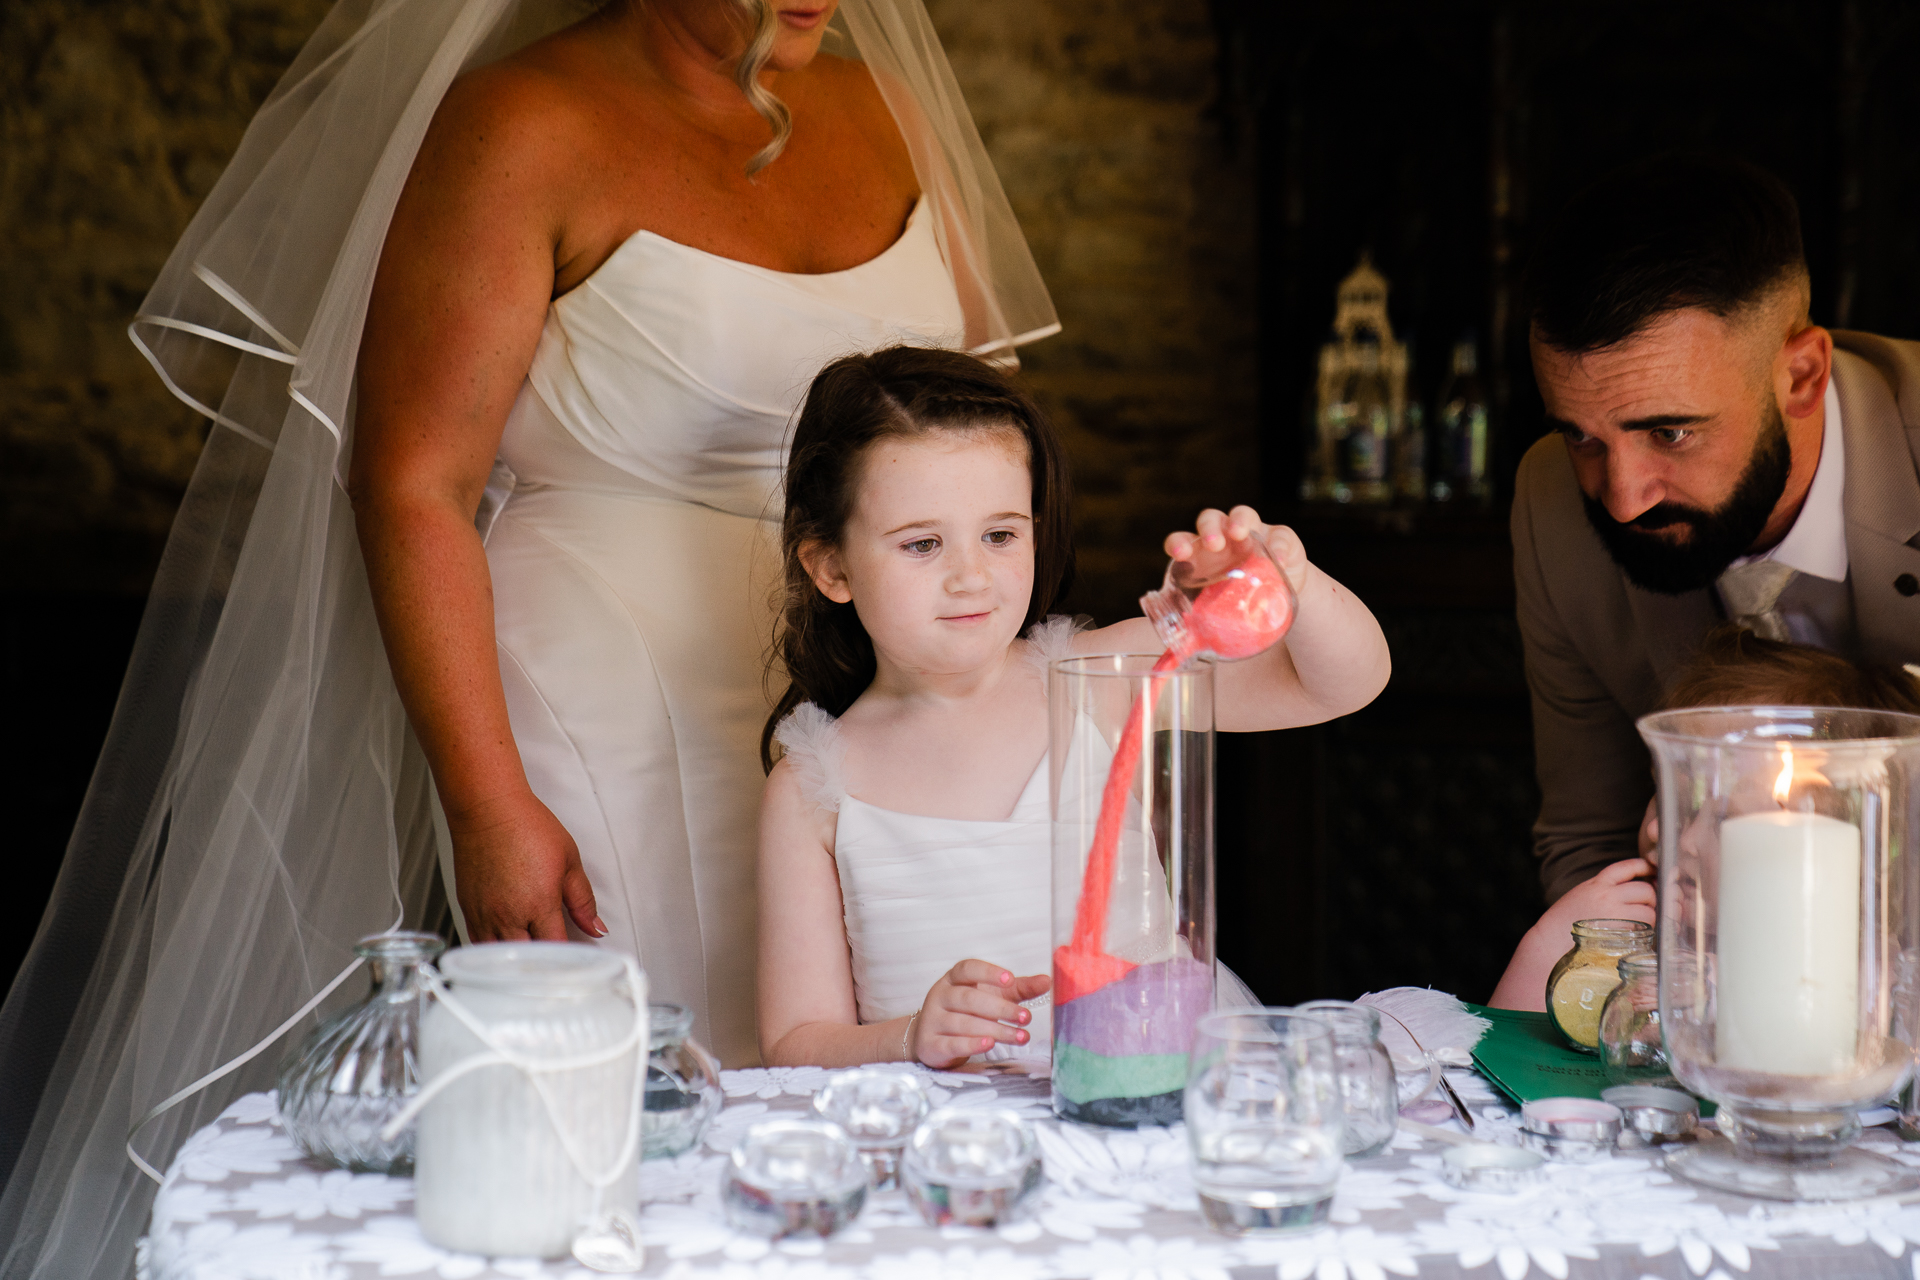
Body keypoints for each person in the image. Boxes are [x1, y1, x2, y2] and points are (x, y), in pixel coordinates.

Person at [0, 2, 1056, 1275]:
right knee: (661, 1088)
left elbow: (972, 429)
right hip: (615, 694)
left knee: (893, 1055)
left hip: (873, 689)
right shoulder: (522, 123)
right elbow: (410, 480)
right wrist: (484, 795)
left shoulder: (886, 107)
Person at [752, 347, 1393, 1068]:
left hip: (1155, 1086)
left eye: (1000, 534)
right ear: (831, 567)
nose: (972, 577)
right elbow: (795, 1042)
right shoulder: (812, 787)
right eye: (923, 544)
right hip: (961, 1142)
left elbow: (1342, 684)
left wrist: (1290, 584)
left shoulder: (1101, 680)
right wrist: (907, 1037)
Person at [1514, 153, 1920, 905]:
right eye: (1582, 436)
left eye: (1669, 432)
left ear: (1801, 376)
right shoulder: (1550, 504)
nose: (1622, 499)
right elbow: (1589, 841)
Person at [1489, 625, 1920, 1010]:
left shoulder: (1861, 959)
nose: (1664, 832)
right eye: (1672, 800)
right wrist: (1552, 948)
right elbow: (1502, 1055)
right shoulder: (1640, 943)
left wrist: (1719, 985)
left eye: (1724, 820)